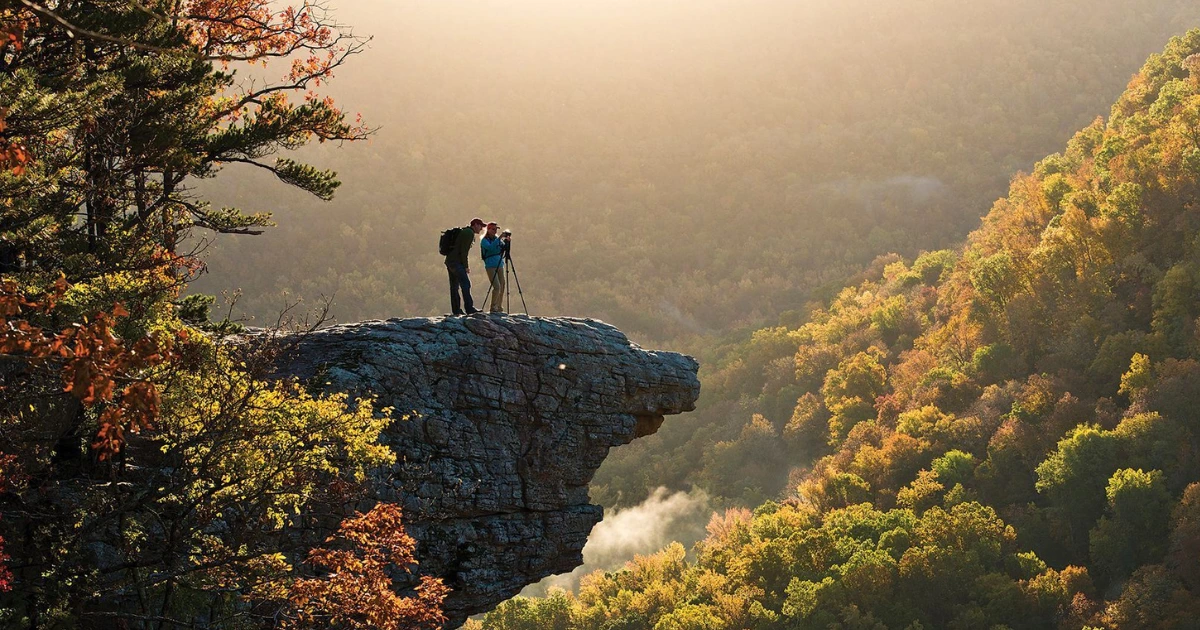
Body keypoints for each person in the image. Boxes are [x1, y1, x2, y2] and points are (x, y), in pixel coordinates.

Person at [446, 217, 486, 315]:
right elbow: (464, 252)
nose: (481, 229)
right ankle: (469, 308)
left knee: (454, 287)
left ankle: (456, 310)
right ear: (475, 225)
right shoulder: (469, 233)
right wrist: (466, 266)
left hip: (450, 261)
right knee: (466, 284)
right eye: (480, 226)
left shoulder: (465, 231)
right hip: (457, 262)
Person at [480, 222, 509, 313]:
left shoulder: (497, 239)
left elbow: (502, 248)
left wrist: (507, 242)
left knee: (502, 285)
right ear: (488, 230)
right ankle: (493, 307)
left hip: (500, 264)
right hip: (490, 266)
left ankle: (499, 306)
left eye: (496, 229)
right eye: (493, 229)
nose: (495, 231)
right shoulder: (484, 240)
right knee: (497, 286)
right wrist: (500, 238)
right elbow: (491, 248)